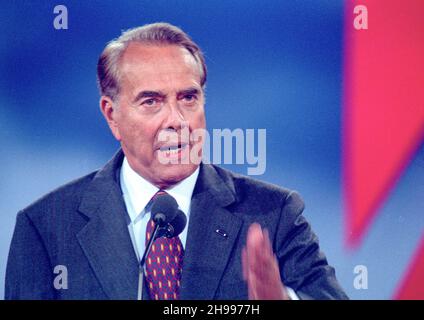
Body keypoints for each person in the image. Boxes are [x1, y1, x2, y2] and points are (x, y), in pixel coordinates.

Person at [5, 22, 347, 300]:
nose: (177, 120)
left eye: (188, 98)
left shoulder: (273, 214)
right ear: (112, 116)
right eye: (152, 101)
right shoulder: (46, 227)